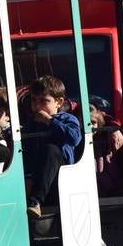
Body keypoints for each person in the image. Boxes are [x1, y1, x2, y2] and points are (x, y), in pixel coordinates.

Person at [22, 76, 83, 209]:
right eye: (33, 100)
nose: (37, 106)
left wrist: (50, 121)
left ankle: (35, 201)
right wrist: (27, 176)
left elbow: (74, 138)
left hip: (61, 173)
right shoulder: (31, 125)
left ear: (59, 102)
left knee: (51, 149)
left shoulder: (67, 119)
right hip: (37, 176)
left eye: (44, 101)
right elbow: (26, 151)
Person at [89, 97, 123, 197]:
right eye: (87, 123)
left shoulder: (106, 139)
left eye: (93, 123)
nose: (90, 127)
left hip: (107, 177)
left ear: (99, 124)